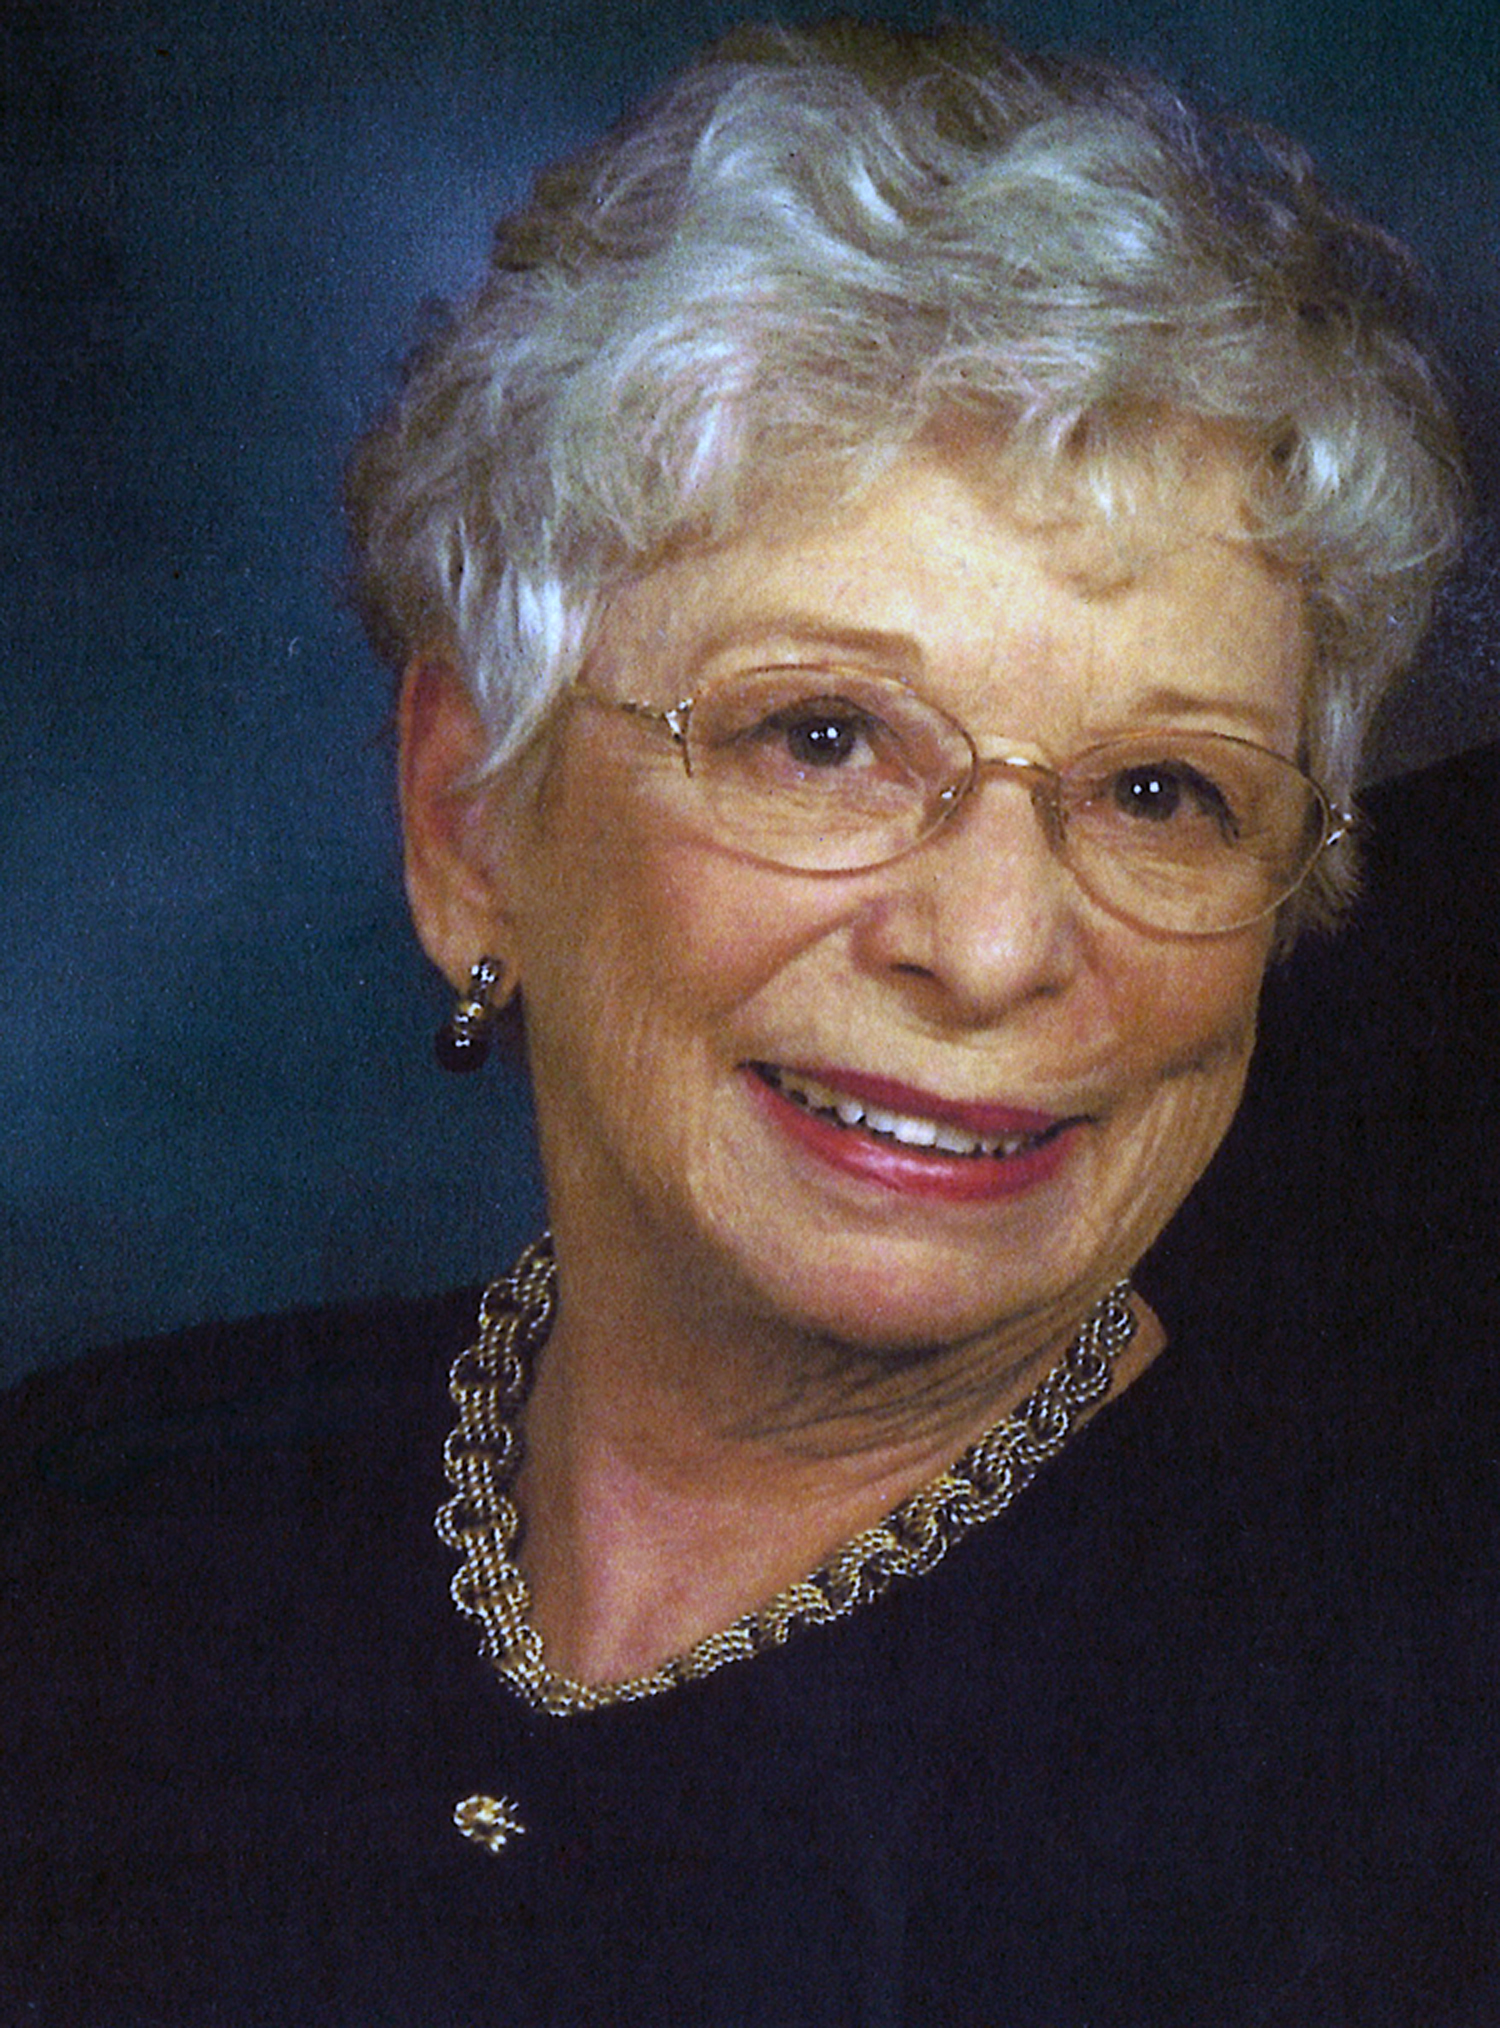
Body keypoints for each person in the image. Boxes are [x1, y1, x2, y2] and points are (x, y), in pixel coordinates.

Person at [3, 22, 1494, 2025]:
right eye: (823, 738)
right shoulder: (93, 1527)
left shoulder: (1417, 1770)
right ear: (470, 822)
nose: (991, 947)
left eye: (1163, 790)